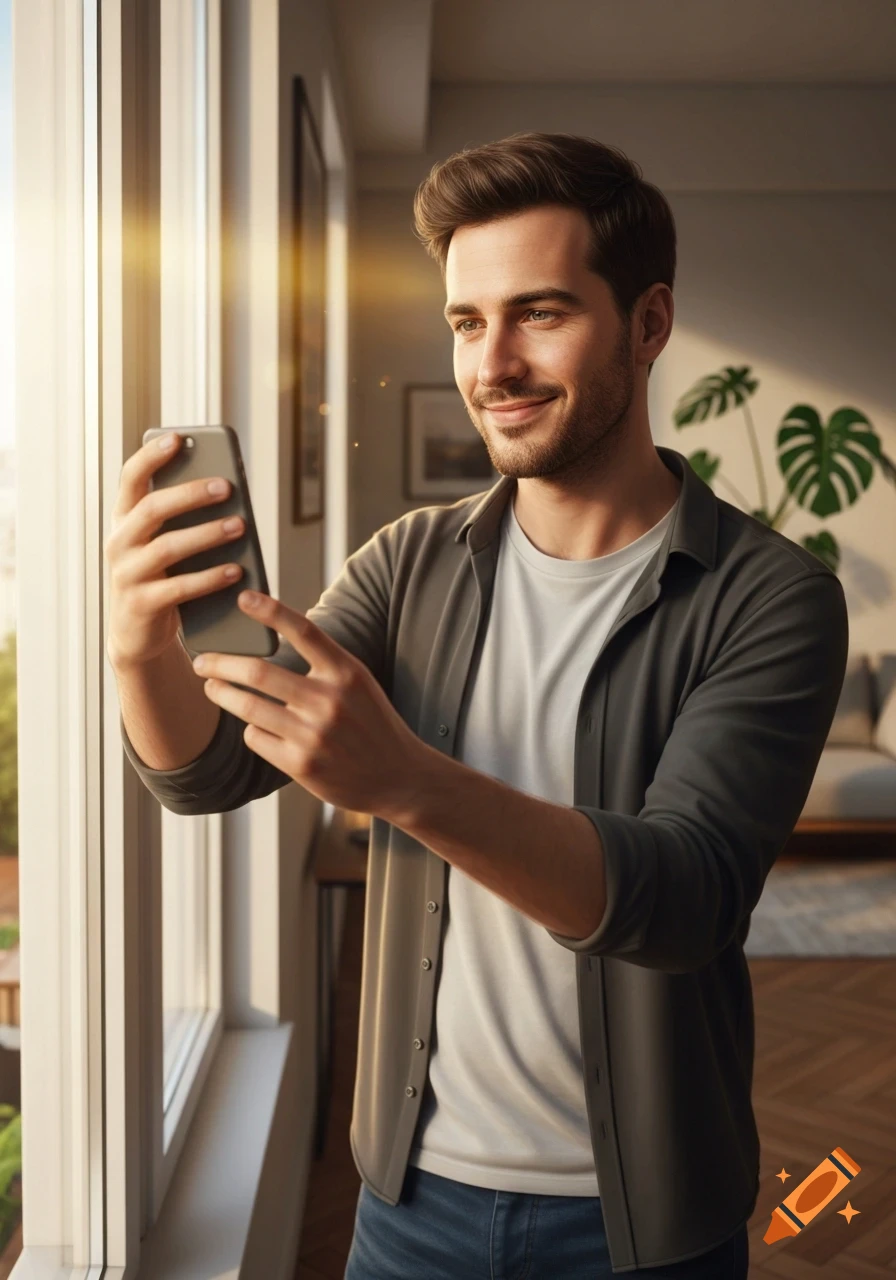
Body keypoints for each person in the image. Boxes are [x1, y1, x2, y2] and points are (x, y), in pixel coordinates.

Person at [109, 132, 848, 1277]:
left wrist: (402, 779)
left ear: (646, 325)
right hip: (409, 1199)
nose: (490, 362)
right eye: (466, 321)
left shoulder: (769, 597)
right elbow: (209, 771)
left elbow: (681, 894)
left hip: (639, 1221)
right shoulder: (408, 561)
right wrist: (134, 645)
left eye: (538, 313)